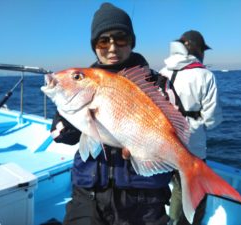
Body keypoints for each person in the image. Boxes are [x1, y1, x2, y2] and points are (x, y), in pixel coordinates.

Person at [50, 3, 172, 225]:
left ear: (132, 41)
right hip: (89, 193)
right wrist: (73, 121)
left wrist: (146, 148)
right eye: (103, 40)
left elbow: (175, 132)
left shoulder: (157, 84)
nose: (112, 47)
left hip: (144, 200)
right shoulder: (83, 84)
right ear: (95, 46)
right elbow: (60, 136)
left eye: (121, 38)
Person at [159, 30, 223, 225]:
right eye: (202, 49)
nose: (204, 53)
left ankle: (165, 218)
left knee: (168, 182)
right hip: (193, 142)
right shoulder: (205, 75)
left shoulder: (162, 72)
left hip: (163, 139)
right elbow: (212, 119)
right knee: (187, 187)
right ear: (194, 48)